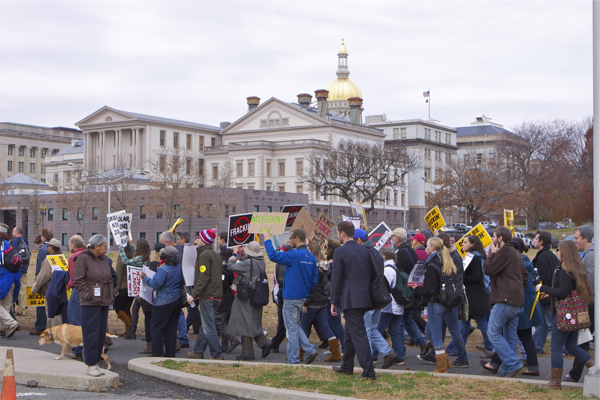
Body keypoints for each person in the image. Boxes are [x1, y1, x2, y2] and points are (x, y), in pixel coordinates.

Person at [536, 240, 595, 390]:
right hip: (575, 313)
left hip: (564, 313)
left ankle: (555, 383)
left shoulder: (564, 269)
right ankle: (595, 367)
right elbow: (569, 292)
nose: (557, 251)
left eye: (559, 249)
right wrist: (548, 294)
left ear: (564, 252)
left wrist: (543, 287)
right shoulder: (577, 268)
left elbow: (562, 293)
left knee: (556, 346)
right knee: (572, 346)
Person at [482, 237, 543, 376]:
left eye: (494, 236)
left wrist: (492, 253)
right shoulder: (519, 256)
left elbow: (488, 269)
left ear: (500, 238)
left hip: (505, 300)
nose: (492, 240)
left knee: (493, 333)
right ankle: (507, 370)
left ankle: (513, 364)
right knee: (510, 336)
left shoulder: (506, 252)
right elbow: (525, 278)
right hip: (518, 301)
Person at [264, 230, 319, 365]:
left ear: (297, 239)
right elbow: (314, 280)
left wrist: (267, 239)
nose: (290, 241)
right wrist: (304, 289)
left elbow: (273, 256)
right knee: (293, 325)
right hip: (301, 296)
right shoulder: (311, 257)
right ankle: (308, 349)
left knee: (292, 328)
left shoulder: (293, 254)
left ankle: (295, 358)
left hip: (291, 296)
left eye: (291, 238)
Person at [330, 221, 376, 380]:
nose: (337, 235)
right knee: (350, 332)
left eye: (337, 232)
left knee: (358, 335)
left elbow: (336, 278)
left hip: (351, 298)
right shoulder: (364, 250)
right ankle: (347, 365)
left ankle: (369, 372)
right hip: (364, 296)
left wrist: (333, 301)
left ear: (343, 233)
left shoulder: (340, 252)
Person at [415, 237, 467, 373]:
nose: (425, 247)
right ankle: (457, 358)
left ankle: (442, 366)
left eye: (427, 245)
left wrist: (417, 289)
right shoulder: (449, 260)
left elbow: (429, 289)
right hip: (451, 301)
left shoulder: (432, 265)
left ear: (432, 247)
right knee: (453, 330)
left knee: (436, 335)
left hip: (436, 302)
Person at [354, 228, 398, 369]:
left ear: (359, 240)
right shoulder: (377, 253)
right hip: (377, 297)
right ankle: (387, 352)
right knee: (372, 329)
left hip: (366, 296)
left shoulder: (361, 253)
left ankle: (366, 362)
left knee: (365, 330)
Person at [73, 234, 115, 377]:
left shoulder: (104, 259)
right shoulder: (83, 258)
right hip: (90, 302)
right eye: (104, 246)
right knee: (91, 332)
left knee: (100, 332)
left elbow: (110, 277)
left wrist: (111, 293)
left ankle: (96, 361)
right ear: (96, 246)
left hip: (103, 301)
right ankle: (90, 364)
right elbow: (78, 280)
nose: (106, 248)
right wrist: (87, 294)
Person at [446, 235, 492, 357]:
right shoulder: (473, 257)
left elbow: (477, 277)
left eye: (465, 242)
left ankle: (491, 347)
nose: (462, 244)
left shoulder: (474, 258)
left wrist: (462, 278)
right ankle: (455, 348)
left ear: (472, 244)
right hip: (472, 295)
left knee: (481, 323)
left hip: (475, 296)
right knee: (465, 324)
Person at [224, 241, 270, 360]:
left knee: (244, 324)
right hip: (256, 295)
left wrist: (234, 255)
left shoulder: (249, 263)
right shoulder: (262, 261)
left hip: (246, 296)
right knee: (252, 323)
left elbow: (231, 266)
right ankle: (263, 344)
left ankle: (248, 353)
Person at [299, 242, 342, 362]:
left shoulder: (312, 266)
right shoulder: (324, 264)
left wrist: (306, 303)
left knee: (303, 327)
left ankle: (300, 353)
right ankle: (336, 352)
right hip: (322, 300)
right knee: (325, 327)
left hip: (312, 301)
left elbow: (312, 287)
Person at [186, 228, 224, 360]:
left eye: (199, 238)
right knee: (206, 324)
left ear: (204, 240)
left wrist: (194, 294)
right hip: (217, 294)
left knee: (208, 327)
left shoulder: (203, 255)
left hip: (207, 295)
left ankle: (216, 354)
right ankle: (197, 351)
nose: (197, 240)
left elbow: (204, 276)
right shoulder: (214, 254)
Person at [141, 246, 183, 357]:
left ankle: (157, 352)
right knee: (171, 327)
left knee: (156, 327)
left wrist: (145, 278)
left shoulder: (162, 269)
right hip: (177, 299)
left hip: (163, 301)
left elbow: (156, 284)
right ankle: (170, 353)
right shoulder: (179, 267)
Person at [566, 225, 595, 382]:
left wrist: (585, 297)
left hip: (590, 302)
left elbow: (590, 279)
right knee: (584, 338)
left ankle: (576, 374)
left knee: (583, 338)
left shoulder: (591, 256)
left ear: (586, 238)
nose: (574, 241)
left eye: (576, 238)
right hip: (591, 301)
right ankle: (576, 373)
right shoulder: (588, 254)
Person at [159, 231, 189, 350]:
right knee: (179, 313)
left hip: (173, 286)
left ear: (167, 242)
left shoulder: (173, 253)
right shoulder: (182, 249)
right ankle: (182, 337)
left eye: (162, 243)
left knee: (177, 313)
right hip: (181, 284)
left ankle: (179, 338)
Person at [376, 247, 405, 365]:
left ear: (384, 256)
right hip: (397, 305)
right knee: (395, 330)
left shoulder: (387, 269)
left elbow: (384, 287)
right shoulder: (395, 267)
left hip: (389, 305)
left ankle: (373, 356)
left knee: (376, 330)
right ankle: (399, 356)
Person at [532, 231, 560, 354]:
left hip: (545, 294)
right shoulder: (551, 255)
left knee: (549, 322)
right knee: (544, 322)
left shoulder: (542, 257)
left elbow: (545, 277)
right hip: (550, 293)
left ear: (541, 241)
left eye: (536, 238)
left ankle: (562, 347)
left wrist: (543, 290)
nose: (534, 240)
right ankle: (537, 346)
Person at [116, 238, 150, 336]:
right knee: (133, 309)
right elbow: (134, 250)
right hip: (142, 286)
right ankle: (131, 331)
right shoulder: (147, 257)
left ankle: (132, 330)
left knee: (140, 310)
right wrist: (130, 243)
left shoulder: (139, 258)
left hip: (136, 287)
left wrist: (121, 249)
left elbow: (125, 261)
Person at [32, 238, 67, 326]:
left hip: (51, 290)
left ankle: (53, 333)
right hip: (63, 290)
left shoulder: (49, 259)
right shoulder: (62, 258)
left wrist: (35, 288)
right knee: (61, 313)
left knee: (52, 313)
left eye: (48, 246)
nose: (47, 248)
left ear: (51, 247)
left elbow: (43, 277)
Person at [138, 243, 164, 354]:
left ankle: (150, 345)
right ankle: (173, 343)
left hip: (151, 297)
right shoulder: (166, 265)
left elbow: (149, 281)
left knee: (149, 322)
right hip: (164, 297)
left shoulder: (152, 265)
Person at [30, 227, 54, 335]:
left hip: (44, 280)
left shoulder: (43, 250)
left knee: (40, 304)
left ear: (43, 237)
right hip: (54, 279)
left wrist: (37, 281)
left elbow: (40, 268)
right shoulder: (55, 248)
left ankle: (40, 326)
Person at [270, 242, 292, 353]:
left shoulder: (283, 263)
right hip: (282, 295)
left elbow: (281, 280)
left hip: (284, 295)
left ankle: (275, 343)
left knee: (284, 322)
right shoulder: (280, 263)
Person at [66, 235, 86, 359]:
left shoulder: (74, 257)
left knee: (74, 320)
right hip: (88, 291)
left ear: (73, 244)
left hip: (77, 290)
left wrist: (68, 284)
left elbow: (74, 278)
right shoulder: (88, 255)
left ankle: (77, 350)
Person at [0, 223, 21, 338]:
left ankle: (12, 323)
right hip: (11, 280)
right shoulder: (10, 247)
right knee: (6, 305)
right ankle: (2, 329)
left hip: (2, 280)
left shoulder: (1, 248)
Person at [217, 245, 238, 353]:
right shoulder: (230, 266)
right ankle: (224, 345)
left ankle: (232, 339)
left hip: (223, 296)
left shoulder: (223, 268)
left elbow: (222, 284)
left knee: (218, 319)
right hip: (230, 296)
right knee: (226, 320)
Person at [10, 226, 29, 316]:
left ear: (17, 232)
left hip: (15, 269)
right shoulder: (26, 241)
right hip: (24, 269)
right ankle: (22, 309)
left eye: (13, 232)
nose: (12, 234)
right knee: (23, 289)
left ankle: (11, 308)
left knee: (12, 288)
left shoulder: (13, 242)